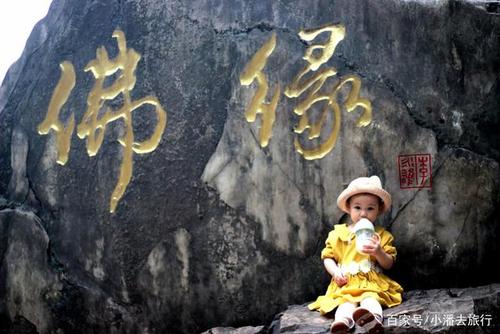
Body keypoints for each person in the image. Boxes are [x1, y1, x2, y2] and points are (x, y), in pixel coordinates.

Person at [308, 176, 403, 334]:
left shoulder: (381, 235)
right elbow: (328, 257)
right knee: (345, 303)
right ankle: (343, 323)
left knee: (371, 299)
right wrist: (335, 272)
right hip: (346, 281)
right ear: (349, 208)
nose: (363, 214)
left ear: (378, 210)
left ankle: (373, 321)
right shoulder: (339, 233)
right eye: (357, 208)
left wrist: (378, 251)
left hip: (371, 281)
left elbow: (388, 263)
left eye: (370, 208)